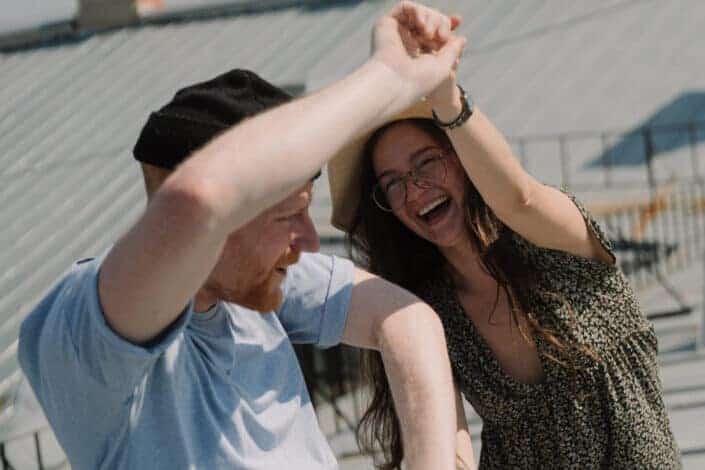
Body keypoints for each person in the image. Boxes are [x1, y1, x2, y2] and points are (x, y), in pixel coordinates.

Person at [17, 2, 474, 469]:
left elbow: (406, 318)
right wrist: (389, 78)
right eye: (290, 214)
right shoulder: (86, 334)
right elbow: (198, 197)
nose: (308, 240)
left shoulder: (248, 282)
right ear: (223, 224)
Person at [327, 50, 682, 468]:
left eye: (426, 163)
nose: (416, 189)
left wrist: (447, 98)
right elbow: (447, 440)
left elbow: (520, 199)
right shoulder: (426, 309)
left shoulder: (556, 239)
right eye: (393, 184)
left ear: (463, 160)